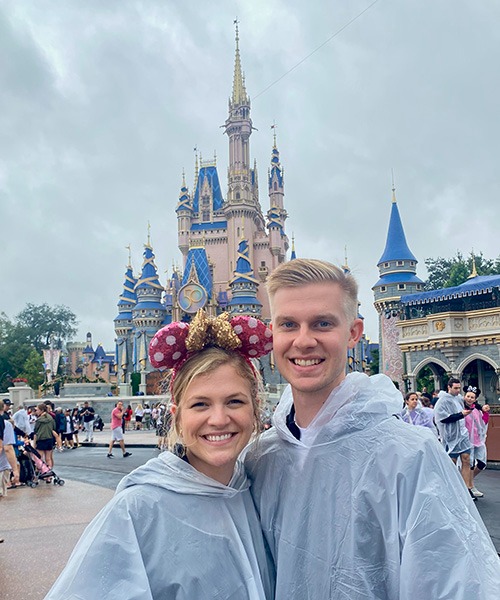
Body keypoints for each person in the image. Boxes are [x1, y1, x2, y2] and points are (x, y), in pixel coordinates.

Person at [245, 258, 500, 599]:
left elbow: (459, 583)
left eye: (322, 323)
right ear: (272, 333)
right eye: (288, 325)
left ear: (353, 333)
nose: (303, 341)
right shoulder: (260, 459)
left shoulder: (410, 456)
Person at [46, 310, 275, 599]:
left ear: (255, 408)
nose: (218, 419)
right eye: (200, 405)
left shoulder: (257, 491)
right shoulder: (137, 509)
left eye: (234, 401)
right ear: (177, 417)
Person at [434, 377, 475, 498]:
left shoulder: (458, 398)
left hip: (462, 434)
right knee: (452, 462)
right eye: (455, 388)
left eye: (459, 388)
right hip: (450, 436)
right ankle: (451, 489)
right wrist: (460, 415)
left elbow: (469, 403)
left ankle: (466, 488)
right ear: (449, 387)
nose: (458, 390)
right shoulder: (443, 401)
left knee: (466, 459)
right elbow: (442, 418)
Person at [463, 385, 490, 498]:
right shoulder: (462, 409)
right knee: (470, 464)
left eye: (472, 397)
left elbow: (483, 422)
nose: (469, 399)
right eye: (468, 396)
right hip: (468, 440)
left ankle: (468, 482)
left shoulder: (477, 410)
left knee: (482, 463)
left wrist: (485, 412)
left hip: (478, 440)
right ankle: (470, 486)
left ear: (475, 399)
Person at [33, 403, 56, 470]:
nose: (36, 411)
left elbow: (36, 430)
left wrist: (34, 443)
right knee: (48, 458)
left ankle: (41, 472)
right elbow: (54, 427)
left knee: (39, 458)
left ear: (42, 410)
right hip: (49, 438)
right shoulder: (51, 418)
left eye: (37, 410)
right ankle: (49, 473)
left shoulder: (39, 420)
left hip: (41, 439)